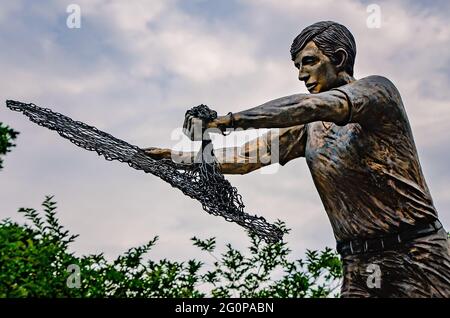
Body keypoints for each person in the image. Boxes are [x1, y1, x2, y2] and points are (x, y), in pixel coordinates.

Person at [145, 21, 450, 297]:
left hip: (418, 253)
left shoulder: (376, 93)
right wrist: (174, 157)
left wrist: (226, 121)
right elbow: (245, 157)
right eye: (297, 67)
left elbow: (307, 106)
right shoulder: (307, 129)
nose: (302, 74)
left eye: (309, 62)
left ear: (339, 59)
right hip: (359, 263)